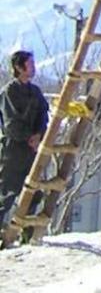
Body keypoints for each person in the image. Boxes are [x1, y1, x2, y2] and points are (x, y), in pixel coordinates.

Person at [0, 50, 50, 231]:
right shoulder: (9, 92)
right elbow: (10, 123)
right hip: (13, 150)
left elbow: (44, 115)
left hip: (32, 151)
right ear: (19, 67)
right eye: (30, 64)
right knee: (7, 193)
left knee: (33, 194)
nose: (33, 67)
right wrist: (28, 136)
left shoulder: (35, 92)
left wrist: (39, 135)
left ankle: (26, 236)